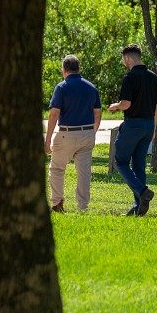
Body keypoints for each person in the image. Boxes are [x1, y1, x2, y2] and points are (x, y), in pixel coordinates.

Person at [108, 44, 157, 217]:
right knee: (138, 165)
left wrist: (115, 106)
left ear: (128, 58)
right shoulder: (153, 77)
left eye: (124, 59)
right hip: (148, 125)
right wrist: (153, 128)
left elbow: (126, 104)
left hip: (133, 125)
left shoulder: (129, 77)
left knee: (120, 162)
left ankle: (143, 191)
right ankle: (139, 206)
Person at [44, 55, 101, 213]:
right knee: (84, 173)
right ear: (78, 68)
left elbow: (54, 113)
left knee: (57, 169)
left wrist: (47, 139)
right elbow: (98, 113)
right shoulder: (91, 87)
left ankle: (57, 203)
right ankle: (83, 207)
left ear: (64, 70)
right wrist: (92, 132)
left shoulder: (61, 87)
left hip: (66, 134)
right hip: (87, 133)